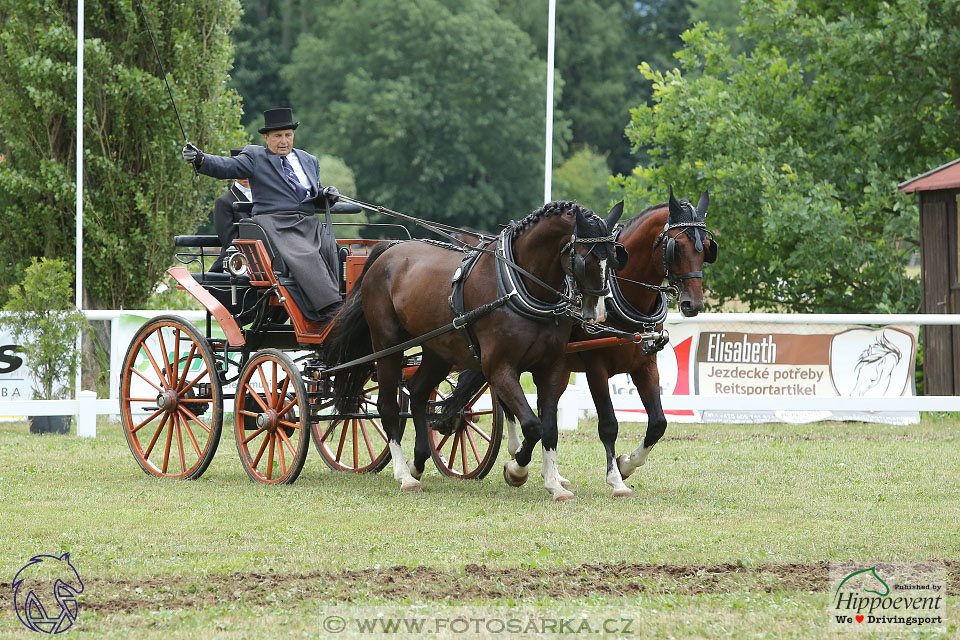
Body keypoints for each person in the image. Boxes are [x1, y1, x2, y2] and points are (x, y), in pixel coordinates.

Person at [182, 107, 342, 317]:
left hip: (309, 224)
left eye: (288, 135)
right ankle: (328, 308)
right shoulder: (255, 156)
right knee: (306, 254)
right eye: (278, 136)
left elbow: (312, 192)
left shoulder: (308, 160)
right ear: (266, 138)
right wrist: (201, 159)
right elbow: (227, 166)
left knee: (338, 253)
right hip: (276, 225)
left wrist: (326, 194)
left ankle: (345, 302)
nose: (284, 141)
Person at [209, 147, 252, 272]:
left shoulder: (266, 198)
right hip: (237, 262)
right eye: (239, 170)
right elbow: (229, 242)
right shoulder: (224, 202)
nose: (244, 174)